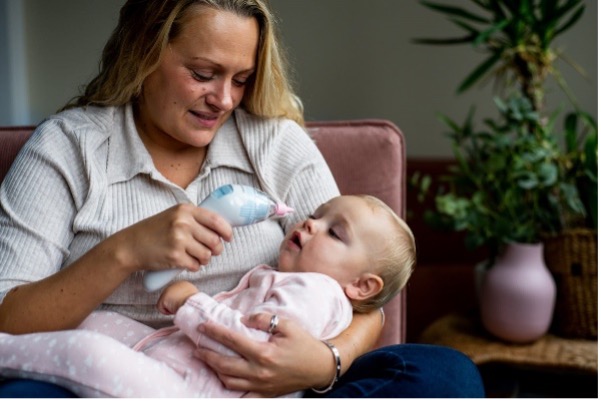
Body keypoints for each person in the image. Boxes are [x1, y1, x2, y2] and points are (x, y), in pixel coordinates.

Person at [0, 0, 484, 398]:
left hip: (269, 388)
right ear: (143, 52)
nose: (225, 100)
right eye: (203, 73)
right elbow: (7, 317)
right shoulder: (68, 148)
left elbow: (362, 297)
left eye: (241, 78)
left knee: (446, 375)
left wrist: (323, 363)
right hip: (126, 377)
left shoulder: (275, 144)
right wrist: (124, 252)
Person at [0, 195, 416, 398]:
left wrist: (189, 302)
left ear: (362, 287)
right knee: (88, 323)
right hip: (173, 355)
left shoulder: (316, 291)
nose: (310, 223)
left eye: (333, 231)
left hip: (193, 392)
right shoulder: (296, 277)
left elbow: (252, 349)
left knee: (88, 350)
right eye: (317, 215)